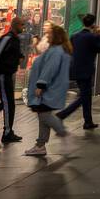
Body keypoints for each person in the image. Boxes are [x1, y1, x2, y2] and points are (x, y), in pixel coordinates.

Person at [24, 24, 72, 157]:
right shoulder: (58, 50)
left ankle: (62, 132)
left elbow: (50, 69)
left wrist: (41, 85)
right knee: (42, 115)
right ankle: (40, 145)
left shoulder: (56, 51)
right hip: (52, 89)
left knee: (44, 115)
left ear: (55, 36)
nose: (47, 35)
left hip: (49, 89)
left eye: (49, 33)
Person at [57, 14, 100, 129]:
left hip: (75, 70)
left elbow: (71, 50)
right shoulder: (92, 37)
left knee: (86, 96)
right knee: (84, 96)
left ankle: (88, 121)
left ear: (83, 23)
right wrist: (98, 35)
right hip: (86, 71)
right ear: (92, 24)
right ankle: (62, 115)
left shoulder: (74, 36)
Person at [0, 16, 25, 143]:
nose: (23, 28)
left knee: (7, 103)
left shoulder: (15, 39)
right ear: (14, 25)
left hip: (7, 75)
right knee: (8, 103)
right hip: (2, 75)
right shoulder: (7, 38)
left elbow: (14, 54)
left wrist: (19, 58)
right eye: (21, 25)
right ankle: (7, 132)